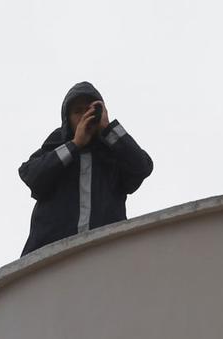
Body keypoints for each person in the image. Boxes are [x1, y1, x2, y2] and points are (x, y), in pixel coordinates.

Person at [19, 81, 153, 256]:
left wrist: (108, 129)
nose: (85, 115)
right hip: (51, 256)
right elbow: (31, 174)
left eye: (90, 109)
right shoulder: (57, 142)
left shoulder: (113, 152)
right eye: (78, 111)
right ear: (67, 119)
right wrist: (75, 144)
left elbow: (142, 167)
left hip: (105, 253)